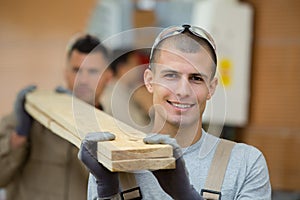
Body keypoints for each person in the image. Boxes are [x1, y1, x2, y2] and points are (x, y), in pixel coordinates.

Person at [79, 25, 271, 200]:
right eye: (171, 76)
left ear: (211, 88)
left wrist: (185, 196)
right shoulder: (115, 160)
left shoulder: (245, 164)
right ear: (149, 81)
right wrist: (107, 193)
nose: (182, 91)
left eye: (196, 78)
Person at [0, 34, 112, 200]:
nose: (83, 80)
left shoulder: (114, 132)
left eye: (93, 71)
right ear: (65, 73)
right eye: (77, 70)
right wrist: (20, 135)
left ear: (107, 77)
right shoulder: (32, 116)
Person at [100, 48, 151, 131]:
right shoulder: (115, 95)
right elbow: (137, 132)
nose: (140, 69)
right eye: (136, 64)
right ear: (122, 68)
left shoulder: (126, 90)